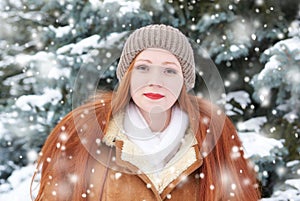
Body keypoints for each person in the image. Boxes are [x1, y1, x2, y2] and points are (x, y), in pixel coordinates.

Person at [31, 24, 261, 201]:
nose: (155, 81)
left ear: (184, 80)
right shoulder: (82, 132)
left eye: (169, 71)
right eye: (143, 68)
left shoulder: (215, 136)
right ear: (128, 75)